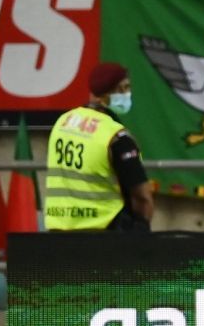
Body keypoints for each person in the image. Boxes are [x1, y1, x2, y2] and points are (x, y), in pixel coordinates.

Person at [44, 62, 153, 232]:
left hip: (58, 231)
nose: (127, 94)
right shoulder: (116, 137)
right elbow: (142, 197)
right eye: (122, 89)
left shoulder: (63, 122)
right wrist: (142, 231)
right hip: (103, 234)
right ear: (104, 95)